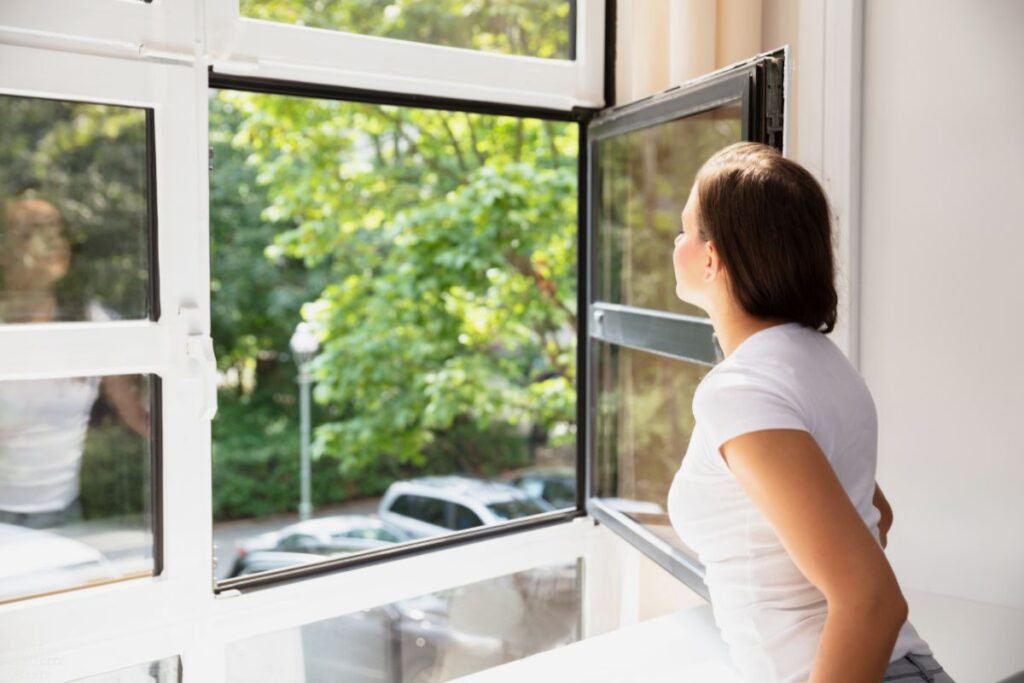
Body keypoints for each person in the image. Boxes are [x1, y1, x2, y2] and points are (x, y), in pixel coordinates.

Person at [666, 142, 954, 683]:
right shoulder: (822, 362)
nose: (676, 243)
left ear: (713, 256)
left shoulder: (740, 389)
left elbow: (872, 601)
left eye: (685, 229)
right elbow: (875, 516)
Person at [0, 196, 149, 530]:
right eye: (30, 232)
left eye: (56, 231)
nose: (50, 242)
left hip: (64, 517)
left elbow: (143, 417)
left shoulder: (90, 323)